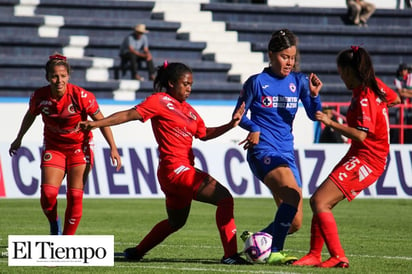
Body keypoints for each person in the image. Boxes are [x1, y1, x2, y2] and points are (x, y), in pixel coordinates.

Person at [77, 62, 250, 265]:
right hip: (177, 170)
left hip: (173, 175)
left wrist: (231, 125)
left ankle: (136, 252)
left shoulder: (190, 111)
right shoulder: (159, 101)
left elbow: (204, 134)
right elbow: (128, 114)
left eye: (191, 84)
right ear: (171, 83)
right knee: (225, 199)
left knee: (176, 222)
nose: (189, 88)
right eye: (185, 84)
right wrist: (96, 123)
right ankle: (230, 255)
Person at [293, 46, 400, 268]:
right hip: (362, 154)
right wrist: (380, 114)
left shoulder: (364, 97)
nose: (341, 77)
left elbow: (361, 135)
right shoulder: (374, 87)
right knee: (320, 200)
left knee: (319, 201)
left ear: (351, 70)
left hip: (368, 158)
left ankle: (338, 256)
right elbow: (395, 99)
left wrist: (331, 122)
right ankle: (314, 254)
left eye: (342, 72)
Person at [233, 29, 323, 265]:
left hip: (286, 153)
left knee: (294, 223)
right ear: (271, 55)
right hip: (262, 151)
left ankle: (256, 241)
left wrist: (314, 96)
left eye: (292, 57)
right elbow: (238, 116)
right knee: (293, 196)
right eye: (284, 57)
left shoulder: (300, 81)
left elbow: (315, 115)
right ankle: (274, 251)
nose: (290, 62)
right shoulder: (256, 82)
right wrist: (253, 127)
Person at [9, 53, 122, 235]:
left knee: (75, 195)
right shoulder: (39, 96)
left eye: (62, 76)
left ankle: (65, 243)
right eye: (54, 76)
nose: (58, 80)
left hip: (79, 148)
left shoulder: (82, 96)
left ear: (68, 76)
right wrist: (19, 137)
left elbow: (101, 121)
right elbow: (31, 115)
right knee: (48, 194)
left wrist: (113, 148)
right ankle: (54, 224)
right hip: (55, 148)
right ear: (47, 77)